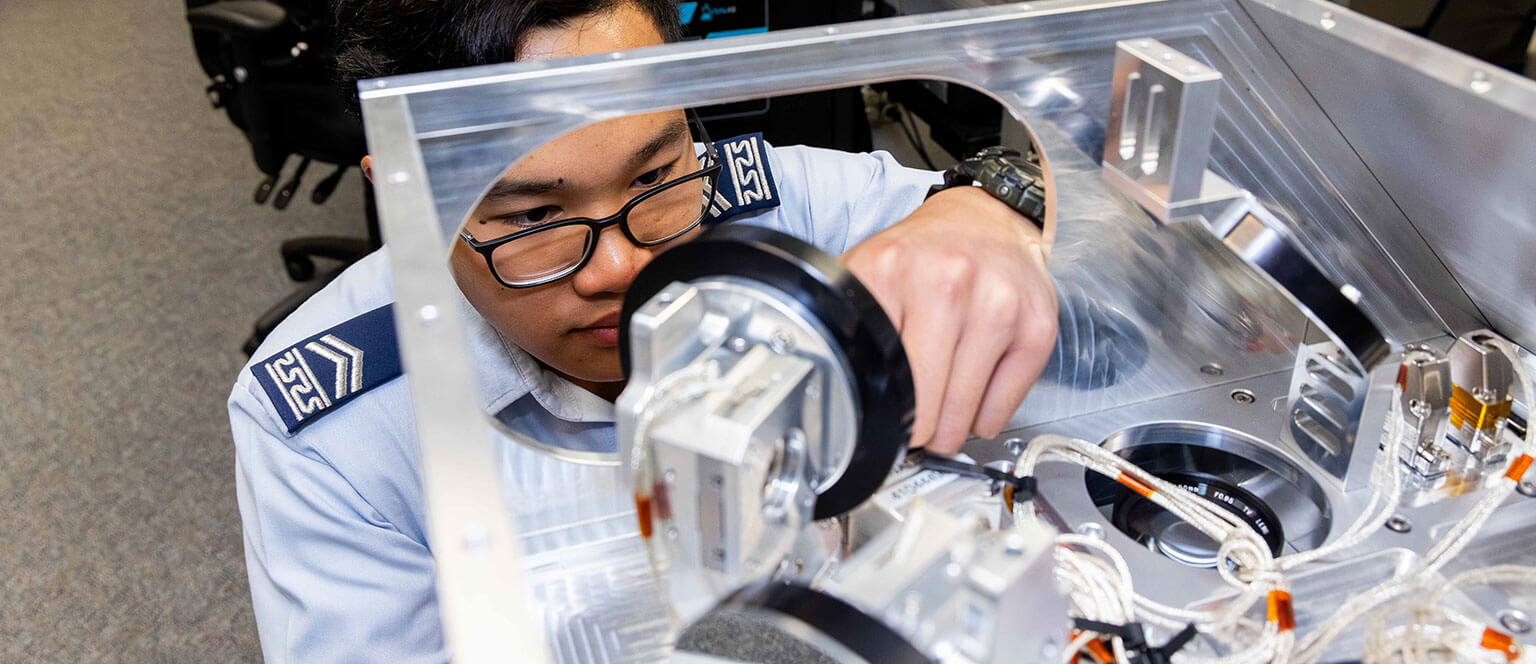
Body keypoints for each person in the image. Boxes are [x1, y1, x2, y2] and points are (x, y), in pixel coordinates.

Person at [227, 0, 1057, 660]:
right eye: (532, 217)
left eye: (653, 173)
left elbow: (1055, 200)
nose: (621, 266)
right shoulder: (333, 434)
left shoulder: (769, 201)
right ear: (407, 201)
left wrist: (990, 210)